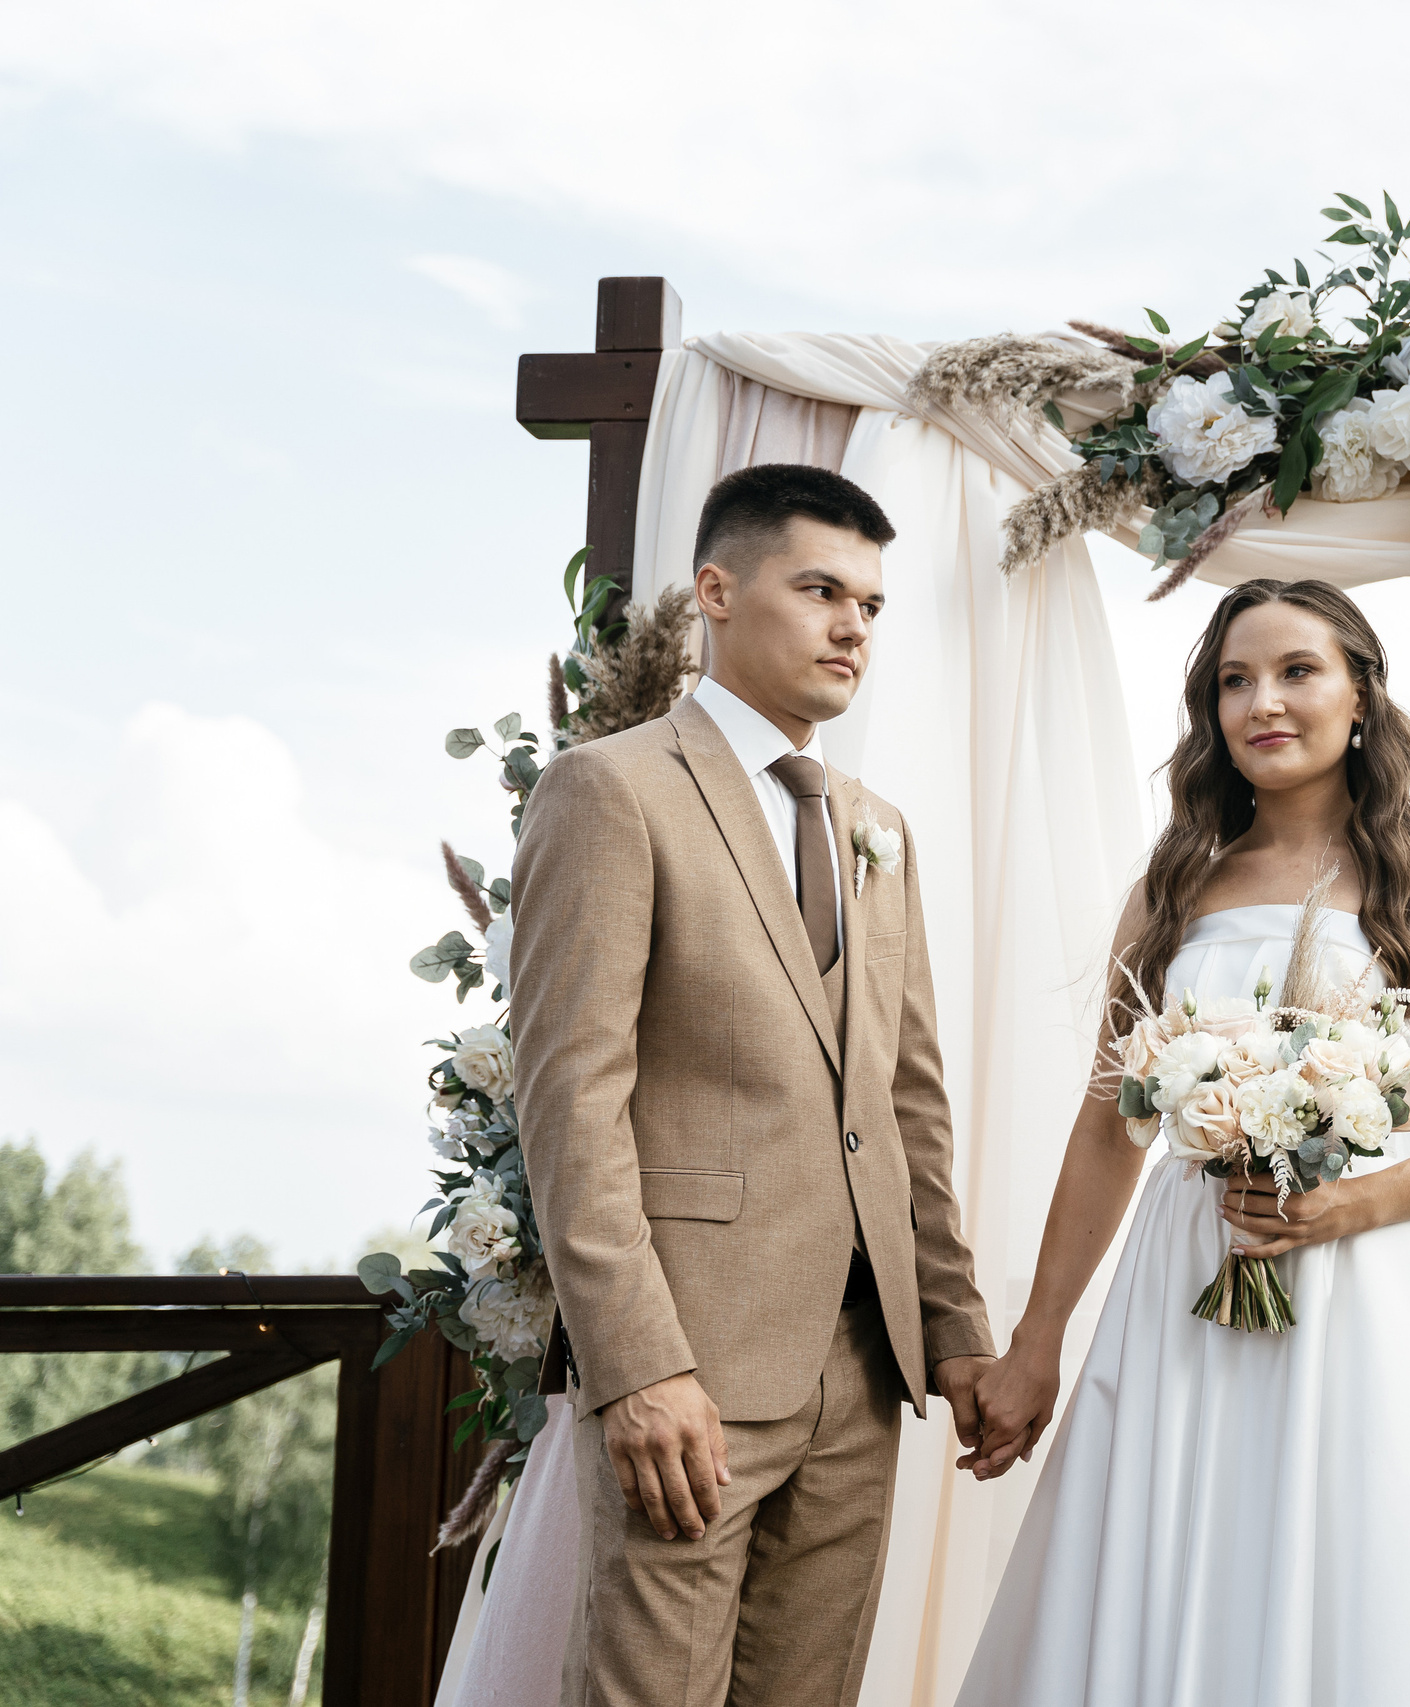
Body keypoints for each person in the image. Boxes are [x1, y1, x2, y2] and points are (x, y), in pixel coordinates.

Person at [955, 578, 1410, 1706]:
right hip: (1185, 1283)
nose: (1263, 702)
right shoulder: (1174, 890)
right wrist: (1038, 1341)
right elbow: (1112, 1125)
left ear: (1360, 694)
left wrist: (1349, 1206)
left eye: (1297, 671)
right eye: (1234, 681)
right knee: (1170, 1556)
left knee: (1374, 1573)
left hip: (1370, 1293)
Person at [511, 462, 1010, 1707]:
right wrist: (634, 1365)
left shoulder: (874, 824)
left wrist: (953, 1334)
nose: (853, 627)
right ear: (719, 593)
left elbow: (908, 1109)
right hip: (691, 1364)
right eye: (821, 589)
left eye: (873, 606)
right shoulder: (611, 789)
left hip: (864, 1366)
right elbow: (570, 1100)